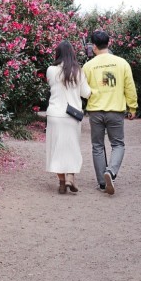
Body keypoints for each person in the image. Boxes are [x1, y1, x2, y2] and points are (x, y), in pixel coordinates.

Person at [82, 30, 138, 195]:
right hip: (116, 110)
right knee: (118, 144)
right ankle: (111, 172)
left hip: (95, 111)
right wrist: (132, 107)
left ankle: (101, 183)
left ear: (93, 46)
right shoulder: (122, 63)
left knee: (97, 146)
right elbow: (129, 86)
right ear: (109, 43)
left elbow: (82, 89)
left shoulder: (88, 66)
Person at [45, 40, 92, 194]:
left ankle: (61, 182)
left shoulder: (51, 70)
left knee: (56, 148)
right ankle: (71, 177)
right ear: (72, 53)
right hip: (72, 115)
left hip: (55, 114)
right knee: (72, 147)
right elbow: (86, 93)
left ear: (57, 53)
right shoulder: (78, 71)